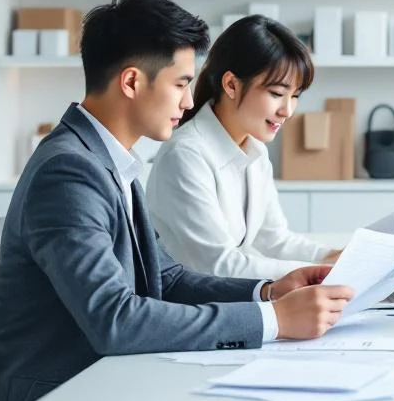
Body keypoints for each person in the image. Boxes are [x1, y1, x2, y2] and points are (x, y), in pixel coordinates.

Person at [0, 0, 353, 401]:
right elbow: (116, 320)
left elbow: (167, 278)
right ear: (131, 82)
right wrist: (272, 320)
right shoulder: (69, 171)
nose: (189, 102)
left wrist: (268, 292)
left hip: (104, 390)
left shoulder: (109, 160)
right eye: (180, 84)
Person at [146, 15, 340, 277]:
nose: (287, 111)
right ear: (231, 85)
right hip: (188, 298)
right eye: (276, 93)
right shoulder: (186, 155)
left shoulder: (255, 150)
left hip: (227, 294)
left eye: (294, 96)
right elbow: (218, 264)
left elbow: (274, 239)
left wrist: (332, 257)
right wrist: (319, 273)